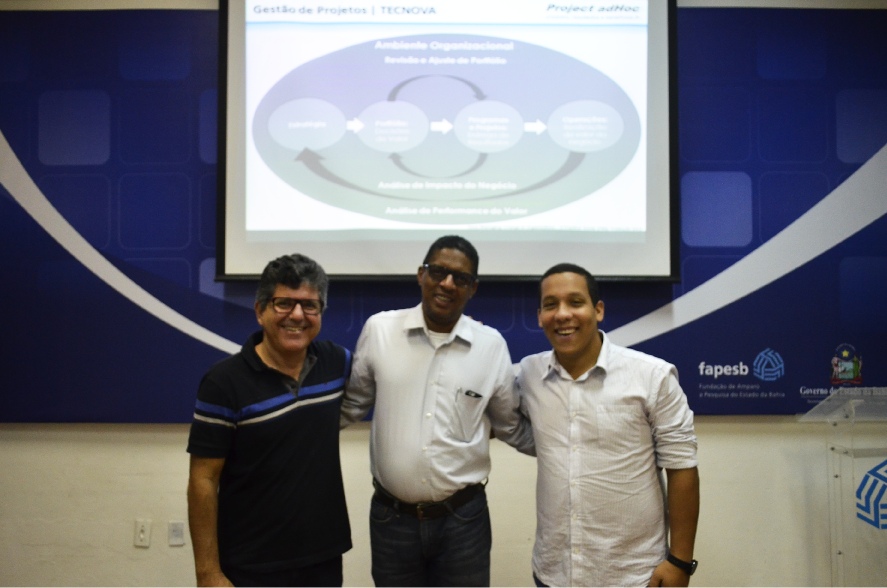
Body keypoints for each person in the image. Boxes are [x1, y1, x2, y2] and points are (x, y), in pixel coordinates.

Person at [340, 235, 534, 587]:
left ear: (473, 288)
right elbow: (352, 405)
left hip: (463, 520)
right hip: (391, 519)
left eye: (460, 278)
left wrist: (569, 449)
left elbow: (509, 425)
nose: (447, 283)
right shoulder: (380, 331)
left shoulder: (490, 346)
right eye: (438, 272)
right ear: (421, 274)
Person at [517, 263, 700, 587]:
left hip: (634, 575)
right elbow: (488, 408)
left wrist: (680, 561)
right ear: (540, 316)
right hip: (554, 573)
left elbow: (682, 466)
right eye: (550, 305)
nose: (562, 314)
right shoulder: (529, 374)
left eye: (575, 302)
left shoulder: (652, 377)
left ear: (598, 310)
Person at [186, 254, 352, 587]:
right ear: (260, 310)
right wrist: (208, 572)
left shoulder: (336, 363)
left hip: (323, 560)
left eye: (310, 305)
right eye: (284, 303)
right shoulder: (223, 382)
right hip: (250, 565)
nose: (297, 315)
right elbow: (203, 479)